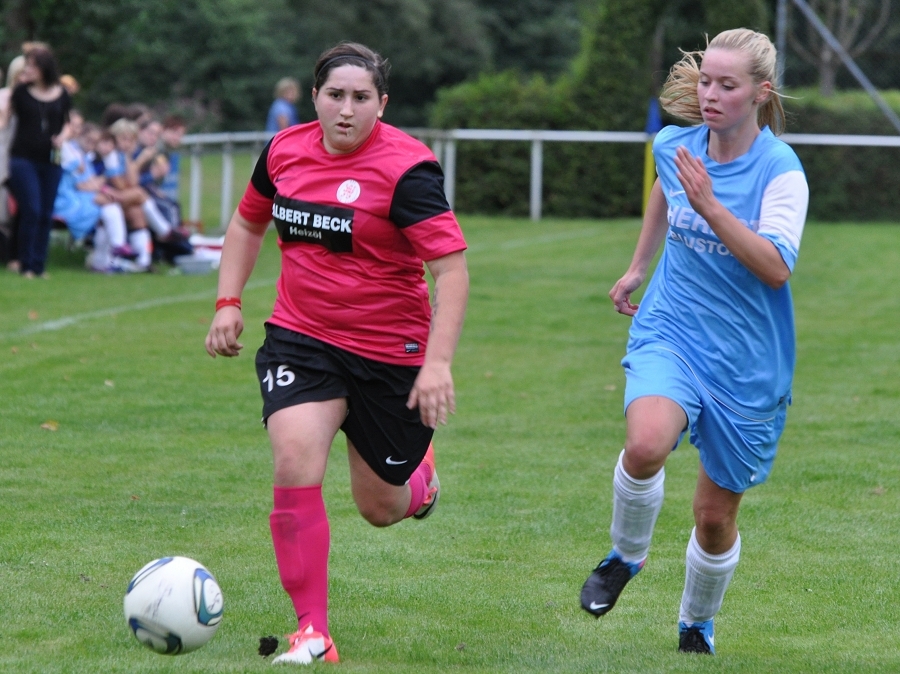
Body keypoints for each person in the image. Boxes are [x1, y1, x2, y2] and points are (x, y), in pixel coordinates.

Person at [205, 41, 468, 665]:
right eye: (335, 95)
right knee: (294, 460)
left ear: (382, 103)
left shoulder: (408, 169)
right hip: (301, 338)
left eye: (361, 98)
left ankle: (420, 484)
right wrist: (228, 301)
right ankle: (312, 632)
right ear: (315, 97)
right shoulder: (283, 151)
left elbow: (451, 271)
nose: (346, 110)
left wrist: (436, 363)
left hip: (389, 352)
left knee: (380, 507)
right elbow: (247, 223)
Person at [579, 28, 808, 655]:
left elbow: (776, 267)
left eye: (726, 85)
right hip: (672, 329)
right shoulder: (674, 145)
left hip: (747, 361)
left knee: (713, 517)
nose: (709, 94)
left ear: (760, 93)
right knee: (645, 443)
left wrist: (712, 207)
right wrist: (638, 266)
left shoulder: (781, 172)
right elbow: (666, 187)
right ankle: (625, 555)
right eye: (705, 81)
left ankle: (696, 623)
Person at [0, 45, 71, 278]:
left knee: (45, 212)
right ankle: (26, 263)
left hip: (51, 160)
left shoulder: (62, 94)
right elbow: (5, 120)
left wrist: (62, 137)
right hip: (22, 159)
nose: (27, 70)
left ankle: (39, 265)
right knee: (31, 208)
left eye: (32, 66)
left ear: (43, 68)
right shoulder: (20, 93)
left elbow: (67, 122)